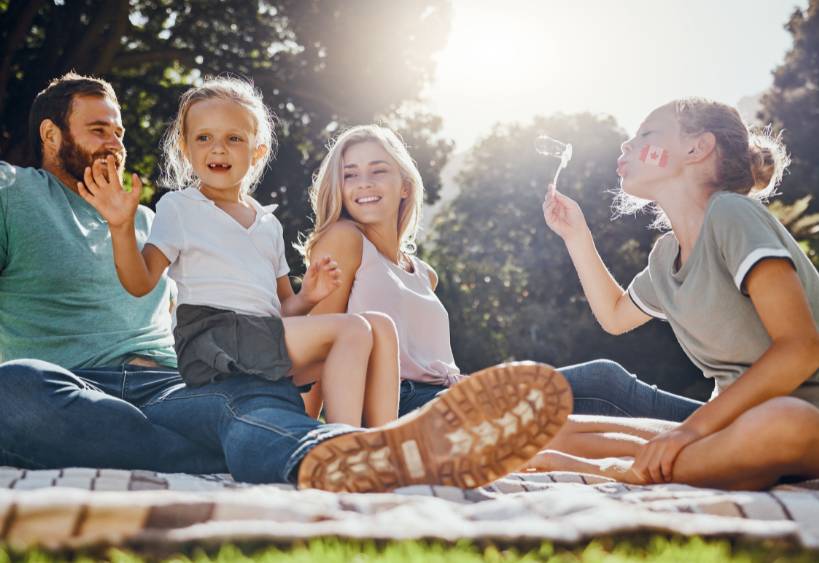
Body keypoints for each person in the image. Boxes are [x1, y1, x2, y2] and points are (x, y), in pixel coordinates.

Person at [0, 72, 570, 493]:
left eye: (120, 131)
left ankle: (339, 452)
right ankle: (230, 451)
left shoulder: (148, 219)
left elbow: (258, 308)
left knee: (243, 403)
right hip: (70, 384)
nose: (116, 143)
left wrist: (307, 299)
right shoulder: (12, 193)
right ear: (51, 135)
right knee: (15, 388)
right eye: (99, 129)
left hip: (173, 385)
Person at [530, 98, 819, 490]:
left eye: (646, 134)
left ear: (697, 148)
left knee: (785, 423)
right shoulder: (666, 256)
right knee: (557, 432)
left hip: (799, 420)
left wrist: (687, 432)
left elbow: (801, 350)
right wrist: (576, 236)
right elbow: (614, 315)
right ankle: (690, 460)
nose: (626, 145)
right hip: (725, 427)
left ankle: (624, 470)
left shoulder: (732, 213)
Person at [77, 77, 399, 428]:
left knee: (380, 328)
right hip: (211, 339)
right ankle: (343, 442)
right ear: (185, 148)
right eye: (204, 138)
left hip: (259, 337)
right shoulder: (180, 207)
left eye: (234, 138)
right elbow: (140, 283)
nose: (218, 149)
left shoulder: (267, 223)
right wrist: (121, 227)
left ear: (257, 151)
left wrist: (308, 296)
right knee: (352, 329)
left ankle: (385, 441)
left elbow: (282, 310)